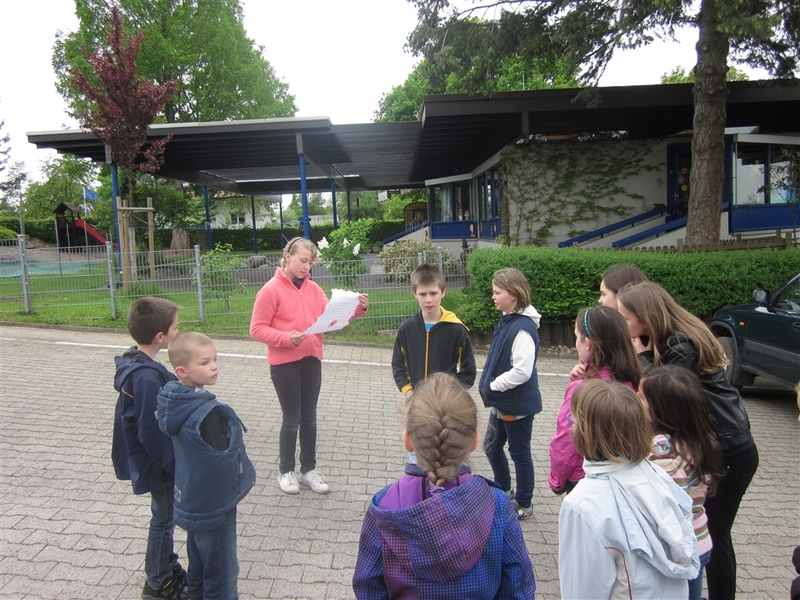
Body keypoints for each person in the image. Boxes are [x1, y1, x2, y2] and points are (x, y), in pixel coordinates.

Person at [617, 281, 759, 600]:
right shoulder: (673, 338)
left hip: (730, 449)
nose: (623, 324)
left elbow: (667, 393)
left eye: (625, 317)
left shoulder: (680, 346)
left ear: (646, 318)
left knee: (714, 535)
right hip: (720, 443)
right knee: (706, 532)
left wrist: (643, 358)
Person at [352, 372, 536, 600]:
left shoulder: (384, 505)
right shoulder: (497, 505)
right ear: (474, 441)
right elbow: (518, 590)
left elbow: (368, 588)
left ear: (408, 440)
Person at [558, 379, 699, 599]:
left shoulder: (582, 504)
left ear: (587, 433)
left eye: (574, 420)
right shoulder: (656, 473)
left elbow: (582, 590)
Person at [249, 236, 368, 495]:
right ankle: (286, 471)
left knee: (309, 417)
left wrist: (356, 310)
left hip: (312, 359)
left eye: (311, 263)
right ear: (287, 257)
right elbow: (256, 329)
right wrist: (286, 338)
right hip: (284, 363)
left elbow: (332, 318)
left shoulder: (314, 289)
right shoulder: (270, 290)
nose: (307, 267)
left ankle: (309, 470)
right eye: (303, 261)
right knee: (291, 418)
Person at [157, 332, 256, 600]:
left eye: (215, 359)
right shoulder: (207, 413)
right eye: (204, 362)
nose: (214, 366)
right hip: (215, 507)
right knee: (222, 575)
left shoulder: (173, 403)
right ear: (182, 371)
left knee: (199, 567)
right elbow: (222, 460)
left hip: (192, 501)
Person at [112, 297, 187, 600]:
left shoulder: (144, 363)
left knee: (165, 516)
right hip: (158, 461)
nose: (178, 332)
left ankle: (165, 564)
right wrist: (173, 464)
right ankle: (157, 581)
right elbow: (150, 428)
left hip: (158, 459)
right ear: (160, 337)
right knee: (163, 519)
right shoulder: (145, 376)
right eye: (175, 328)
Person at [639, 365, 726, 600]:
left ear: (660, 409)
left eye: (641, 398)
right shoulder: (698, 440)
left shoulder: (664, 450)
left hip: (679, 548)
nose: (636, 401)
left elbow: (667, 505)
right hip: (700, 538)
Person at [548, 306, 641, 495]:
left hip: (584, 478)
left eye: (577, 337)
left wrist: (556, 480)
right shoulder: (632, 380)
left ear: (588, 343)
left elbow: (566, 441)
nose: (576, 344)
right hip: (622, 475)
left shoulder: (582, 390)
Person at [479, 268, 542, 520]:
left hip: (515, 405)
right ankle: (504, 491)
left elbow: (522, 371)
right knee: (491, 446)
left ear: (513, 295)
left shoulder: (523, 328)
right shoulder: (507, 319)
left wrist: (495, 386)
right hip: (502, 403)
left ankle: (524, 503)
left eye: (498, 292)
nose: (493, 297)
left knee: (519, 452)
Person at [392, 262, 476, 399]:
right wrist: (409, 392)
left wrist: (448, 392)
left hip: (444, 403)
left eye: (433, 293)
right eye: (423, 294)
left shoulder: (456, 330)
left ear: (443, 292)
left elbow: (469, 371)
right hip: (416, 401)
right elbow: (398, 365)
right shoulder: (406, 329)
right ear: (415, 294)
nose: (428, 300)